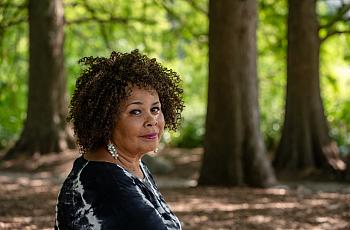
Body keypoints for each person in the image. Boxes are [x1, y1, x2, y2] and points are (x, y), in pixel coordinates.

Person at [55, 50, 184, 230]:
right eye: (135, 111)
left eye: (155, 109)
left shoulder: (130, 165)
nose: (152, 120)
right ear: (106, 119)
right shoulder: (105, 183)